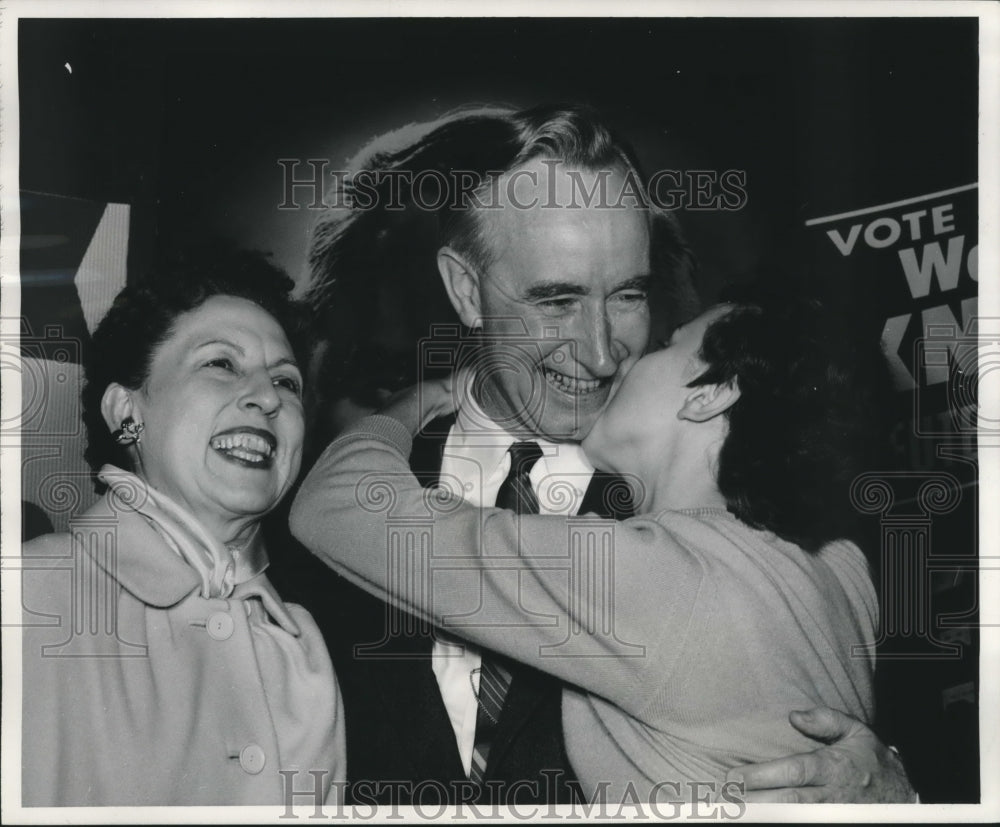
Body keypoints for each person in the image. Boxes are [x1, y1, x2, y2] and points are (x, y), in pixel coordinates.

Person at [284, 103, 914, 804]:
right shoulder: (832, 561)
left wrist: (890, 782)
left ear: (713, 393)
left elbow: (338, 508)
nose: (601, 349)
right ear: (466, 290)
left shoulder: (678, 555)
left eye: (629, 295)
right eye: (556, 300)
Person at [291, 292, 891, 804]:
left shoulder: (657, 577)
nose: (622, 362)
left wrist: (408, 408)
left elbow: (338, 506)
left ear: (711, 394)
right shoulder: (844, 569)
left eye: (665, 346)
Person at [20, 250, 346, 806]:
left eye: (287, 383)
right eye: (221, 364)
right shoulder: (26, 596)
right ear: (127, 411)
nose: (268, 398)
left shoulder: (303, 649)